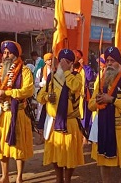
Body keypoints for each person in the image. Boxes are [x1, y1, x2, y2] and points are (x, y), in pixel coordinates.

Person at [88, 47, 121, 183]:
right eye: (108, 60)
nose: (109, 63)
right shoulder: (101, 80)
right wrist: (98, 101)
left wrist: (112, 100)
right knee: (104, 164)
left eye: (113, 60)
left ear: (120, 63)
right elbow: (90, 105)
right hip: (104, 127)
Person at [0, 41, 34, 183]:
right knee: (2, 147)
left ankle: (19, 177)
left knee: (19, 147)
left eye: (9, 53)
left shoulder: (24, 71)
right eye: (4, 53)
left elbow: (28, 90)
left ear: (16, 55)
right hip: (1, 114)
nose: (6, 55)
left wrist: (7, 92)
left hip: (17, 114)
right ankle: (4, 176)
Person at [36, 49, 84, 183]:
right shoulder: (52, 77)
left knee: (69, 154)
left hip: (69, 122)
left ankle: (67, 179)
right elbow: (39, 96)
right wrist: (47, 96)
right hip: (53, 121)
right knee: (55, 153)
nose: (63, 64)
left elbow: (75, 87)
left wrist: (66, 71)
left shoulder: (76, 76)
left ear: (71, 63)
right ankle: (58, 179)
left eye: (66, 62)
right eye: (61, 62)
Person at [74, 50, 96, 139]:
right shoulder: (70, 68)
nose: (76, 60)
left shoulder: (85, 68)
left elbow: (90, 77)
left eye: (78, 58)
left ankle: (84, 137)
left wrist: (83, 66)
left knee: (84, 120)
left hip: (83, 99)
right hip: (73, 99)